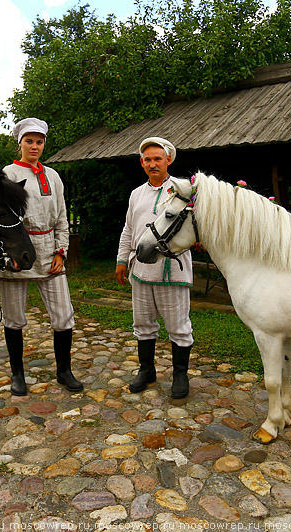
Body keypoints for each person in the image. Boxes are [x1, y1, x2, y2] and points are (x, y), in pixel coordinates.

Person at [0, 117, 82, 395]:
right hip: (18, 250)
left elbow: (61, 217)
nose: (34, 146)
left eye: (39, 141)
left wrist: (61, 251)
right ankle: (17, 374)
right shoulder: (7, 174)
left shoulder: (53, 176)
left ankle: (64, 371)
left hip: (48, 251)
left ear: (44, 144)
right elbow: (0, 217)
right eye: (29, 141)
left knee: (63, 315)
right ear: (20, 142)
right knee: (14, 317)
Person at [116, 137, 193, 399]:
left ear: (168, 160)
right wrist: (121, 259)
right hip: (140, 270)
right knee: (143, 323)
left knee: (178, 325)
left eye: (157, 159)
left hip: (173, 269)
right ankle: (146, 371)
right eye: (147, 160)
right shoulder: (136, 194)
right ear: (142, 163)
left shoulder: (184, 190)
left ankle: (180, 375)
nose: (152, 164)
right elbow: (129, 229)